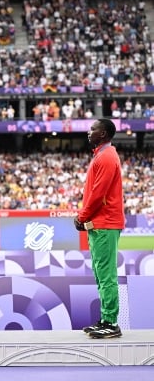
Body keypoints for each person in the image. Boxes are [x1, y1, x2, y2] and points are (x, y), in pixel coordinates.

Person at [75, 119, 125, 339]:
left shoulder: (106, 157)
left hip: (104, 223)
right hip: (100, 223)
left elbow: (98, 194)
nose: (89, 131)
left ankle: (112, 323)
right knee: (101, 273)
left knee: (106, 275)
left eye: (93, 129)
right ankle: (106, 319)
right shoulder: (103, 155)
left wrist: (81, 217)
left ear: (103, 133)